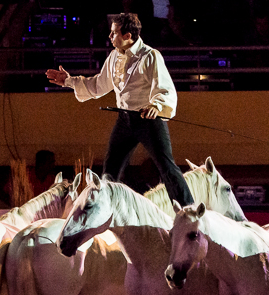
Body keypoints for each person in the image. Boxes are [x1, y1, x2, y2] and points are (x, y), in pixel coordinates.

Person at [45, 13, 194, 206]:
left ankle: (188, 210)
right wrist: (68, 81)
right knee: (110, 171)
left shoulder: (150, 56)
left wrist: (155, 105)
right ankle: (104, 210)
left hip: (148, 119)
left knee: (166, 167)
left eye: (114, 32)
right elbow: (99, 85)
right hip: (125, 120)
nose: (110, 36)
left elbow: (164, 88)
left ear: (128, 35)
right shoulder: (114, 56)